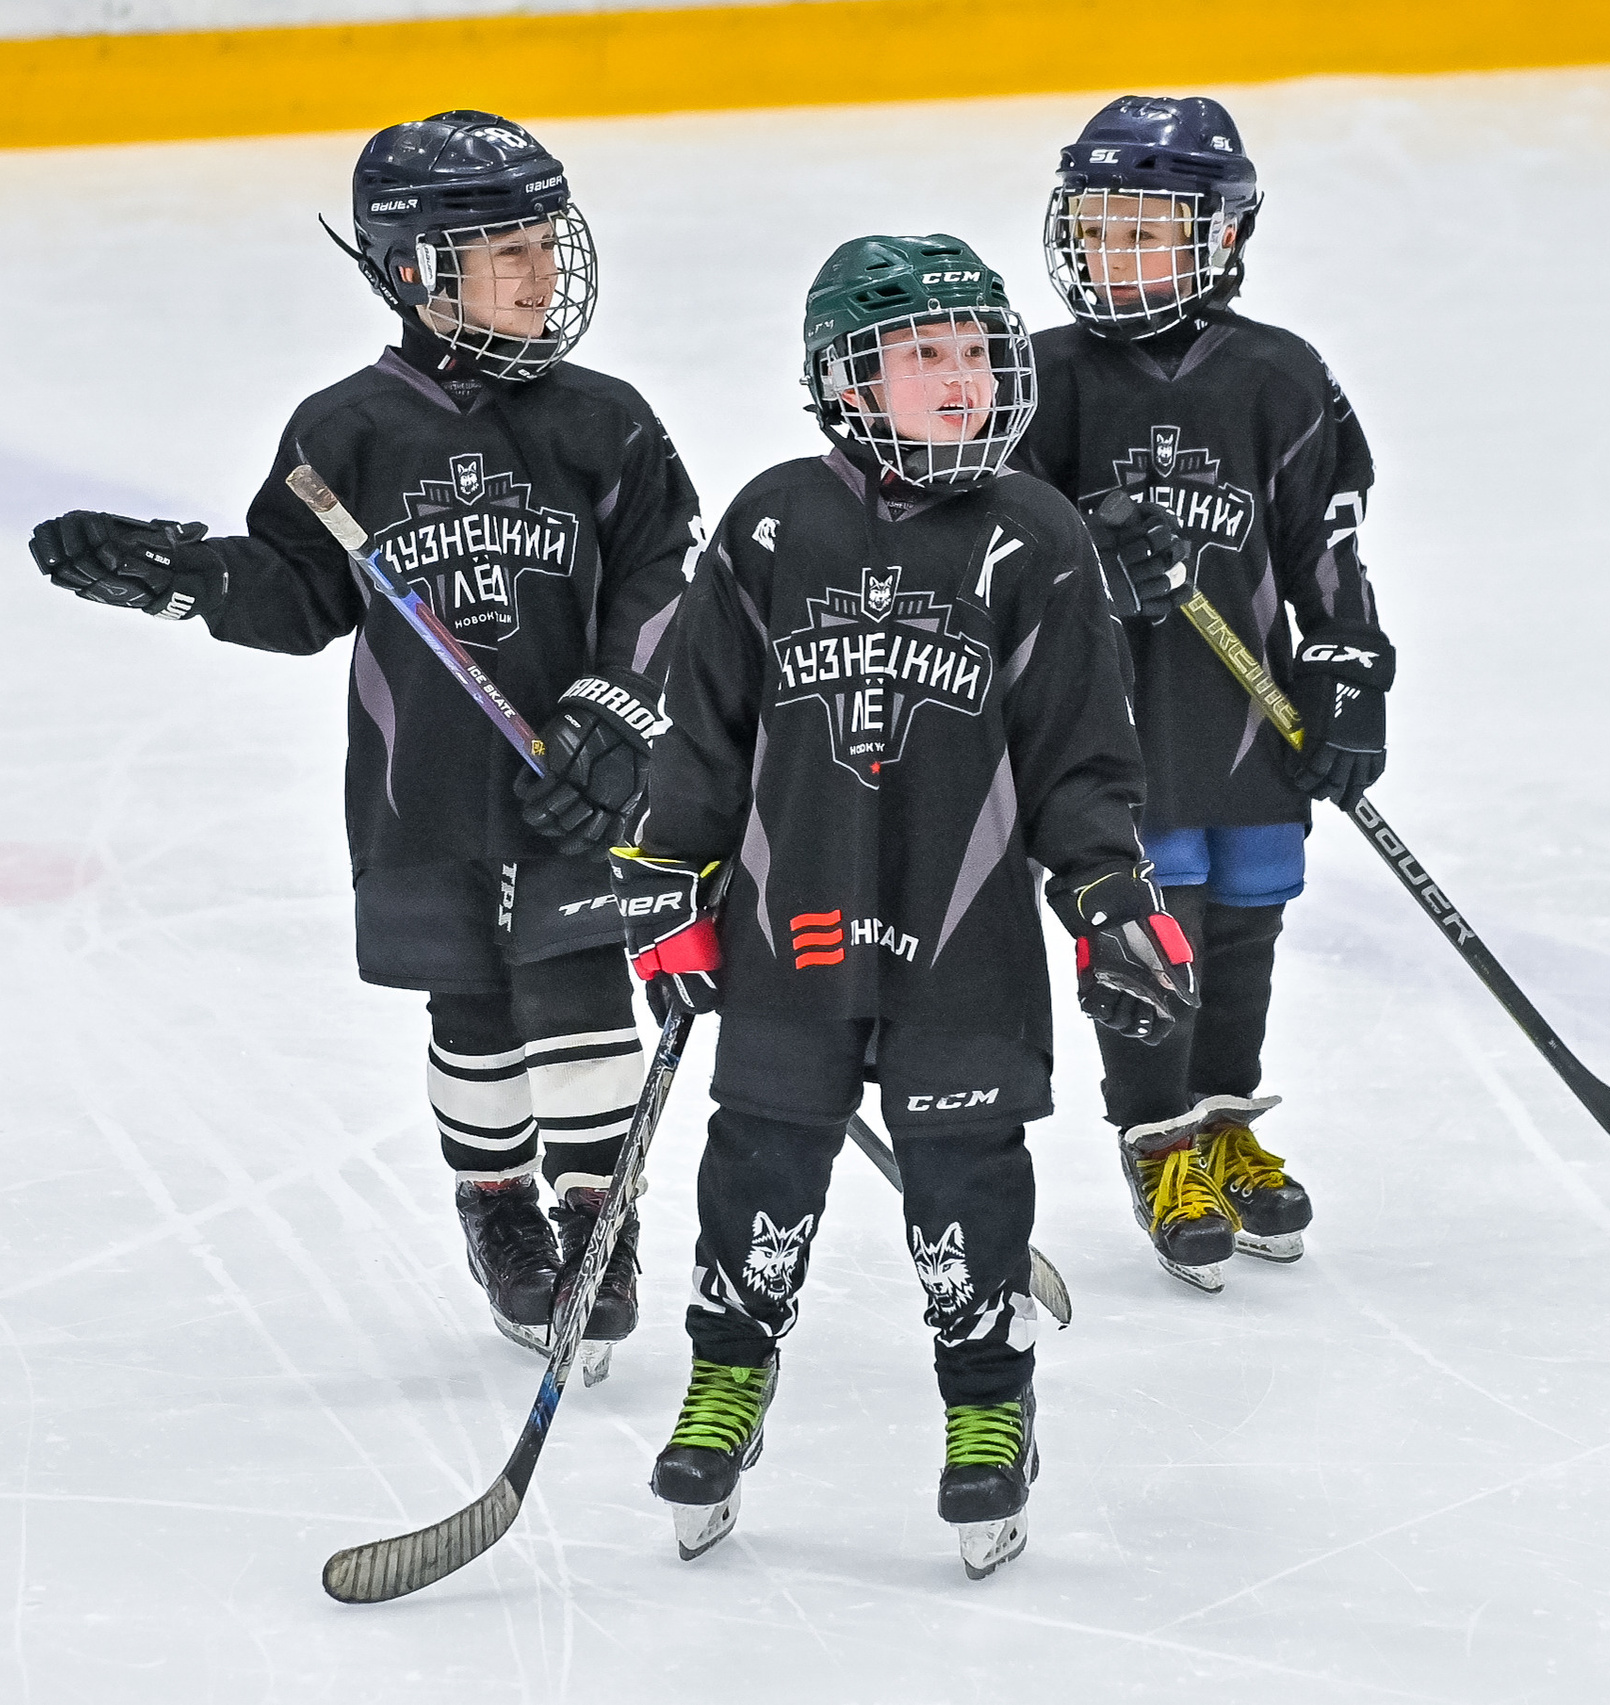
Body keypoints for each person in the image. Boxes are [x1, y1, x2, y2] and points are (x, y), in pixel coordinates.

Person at [26, 112, 700, 1369]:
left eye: (546, 242)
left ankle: (601, 1217)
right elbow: (297, 594)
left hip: (583, 789)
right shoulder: (345, 432)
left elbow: (668, 578)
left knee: (580, 990)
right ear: (414, 271)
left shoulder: (605, 421)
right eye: (505, 251)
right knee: (473, 1003)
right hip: (422, 789)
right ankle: (500, 1210)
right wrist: (182, 578)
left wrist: (617, 717)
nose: (542, 273)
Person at [609, 234, 1195, 1579]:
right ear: (847, 380)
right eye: (924, 352)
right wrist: (668, 882)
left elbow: (1080, 753)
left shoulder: (1036, 534)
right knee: (761, 1155)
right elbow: (701, 734)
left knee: (966, 1172)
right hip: (791, 918)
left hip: (963, 928)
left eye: (978, 349)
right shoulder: (770, 523)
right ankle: (727, 1378)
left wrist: (1106, 891)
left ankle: (989, 1406)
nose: (964, 377)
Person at [1020, 96, 1394, 1292]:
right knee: (1151, 921)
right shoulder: (1040, 378)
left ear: (1221, 236)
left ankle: (1222, 1117)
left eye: (1143, 231)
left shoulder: (1280, 375)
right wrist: (1082, 556)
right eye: (1095, 228)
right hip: (1109, 727)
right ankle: (1156, 1141)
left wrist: (1348, 666)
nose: (1111, 254)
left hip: (1246, 714)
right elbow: (994, 548)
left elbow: (1326, 540)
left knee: (1245, 912)